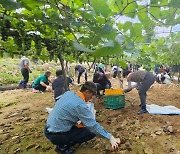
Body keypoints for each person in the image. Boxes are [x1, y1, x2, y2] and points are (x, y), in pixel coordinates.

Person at [44, 82, 120, 154]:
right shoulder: (80, 105)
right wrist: (110, 137)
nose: (91, 98)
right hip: (56, 136)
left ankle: (63, 141)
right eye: (91, 95)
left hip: (48, 129)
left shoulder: (68, 94)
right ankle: (63, 146)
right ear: (87, 92)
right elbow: (93, 126)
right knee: (91, 132)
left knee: (81, 126)